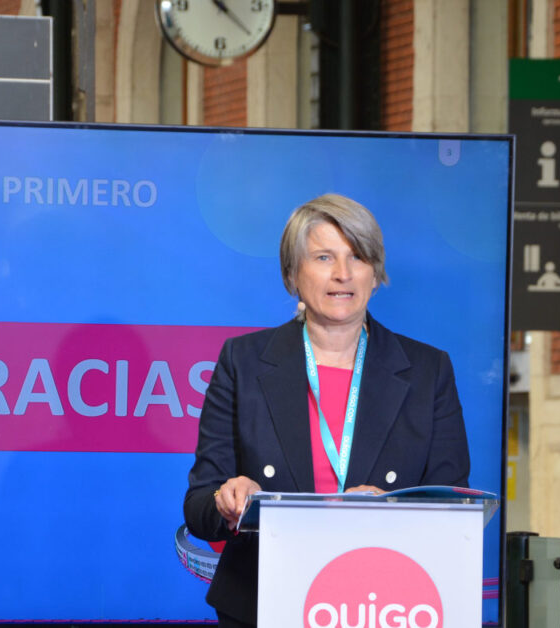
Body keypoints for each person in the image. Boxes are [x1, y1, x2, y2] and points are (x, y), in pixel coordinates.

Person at [183, 193, 472, 627]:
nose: (342, 274)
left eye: (357, 257)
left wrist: (393, 509)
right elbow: (198, 506)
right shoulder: (242, 361)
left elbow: (454, 505)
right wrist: (227, 501)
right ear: (292, 274)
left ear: (375, 274)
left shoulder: (428, 370)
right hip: (263, 600)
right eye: (323, 257)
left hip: (388, 603)